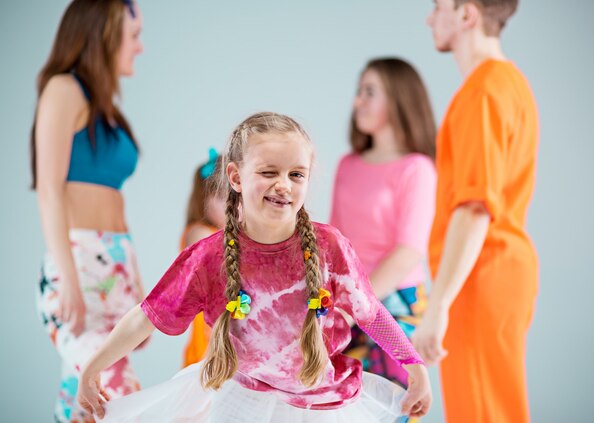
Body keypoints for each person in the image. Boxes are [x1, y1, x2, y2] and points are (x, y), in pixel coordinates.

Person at [77, 112, 433, 422]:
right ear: (235, 177)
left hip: (319, 404)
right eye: (268, 172)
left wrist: (414, 365)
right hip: (242, 399)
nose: (284, 184)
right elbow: (146, 316)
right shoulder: (208, 256)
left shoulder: (330, 247)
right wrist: (94, 367)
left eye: (297, 174)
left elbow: (370, 314)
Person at [413, 1, 539, 422]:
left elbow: (474, 207)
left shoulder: (482, 92)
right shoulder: (508, 83)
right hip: (495, 274)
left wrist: (438, 306)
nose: (430, 18)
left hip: (480, 278)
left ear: (467, 14)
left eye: (438, 7)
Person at [31, 0, 145, 421]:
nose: (140, 47)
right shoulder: (64, 89)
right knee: (118, 400)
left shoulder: (106, 110)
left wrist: (137, 287)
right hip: (77, 268)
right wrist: (70, 284)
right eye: (134, 36)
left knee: (83, 405)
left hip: (115, 272)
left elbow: (116, 202)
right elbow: (49, 190)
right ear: (105, 36)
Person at [330, 58, 437, 391]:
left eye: (369, 92)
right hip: (346, 302)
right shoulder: (347, 165)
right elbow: (333, 241)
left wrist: (355, 303)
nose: (357, 101)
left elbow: (408, 251)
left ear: (398, 100)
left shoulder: (416, 169)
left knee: (395, 407)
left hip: (396, 304)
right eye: (358, 91)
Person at [181, 148, 226, 367]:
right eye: (220, 197)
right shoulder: (200, 233)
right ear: (203, 200)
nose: (230, 205)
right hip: (207, 344)